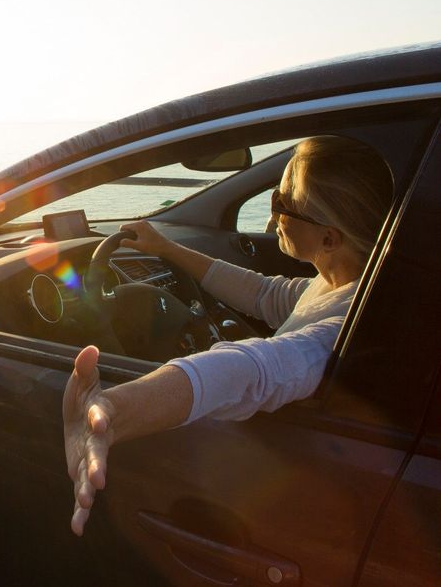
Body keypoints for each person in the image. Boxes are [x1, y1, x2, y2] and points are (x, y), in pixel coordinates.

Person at [63, 135, 393, 536]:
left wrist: (115, 409)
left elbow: (252, 367)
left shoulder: (342, 328)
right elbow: (265, 294)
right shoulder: (345, 284)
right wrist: (166, 248)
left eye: (282, 203)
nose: (272, 217)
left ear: (329, 238)